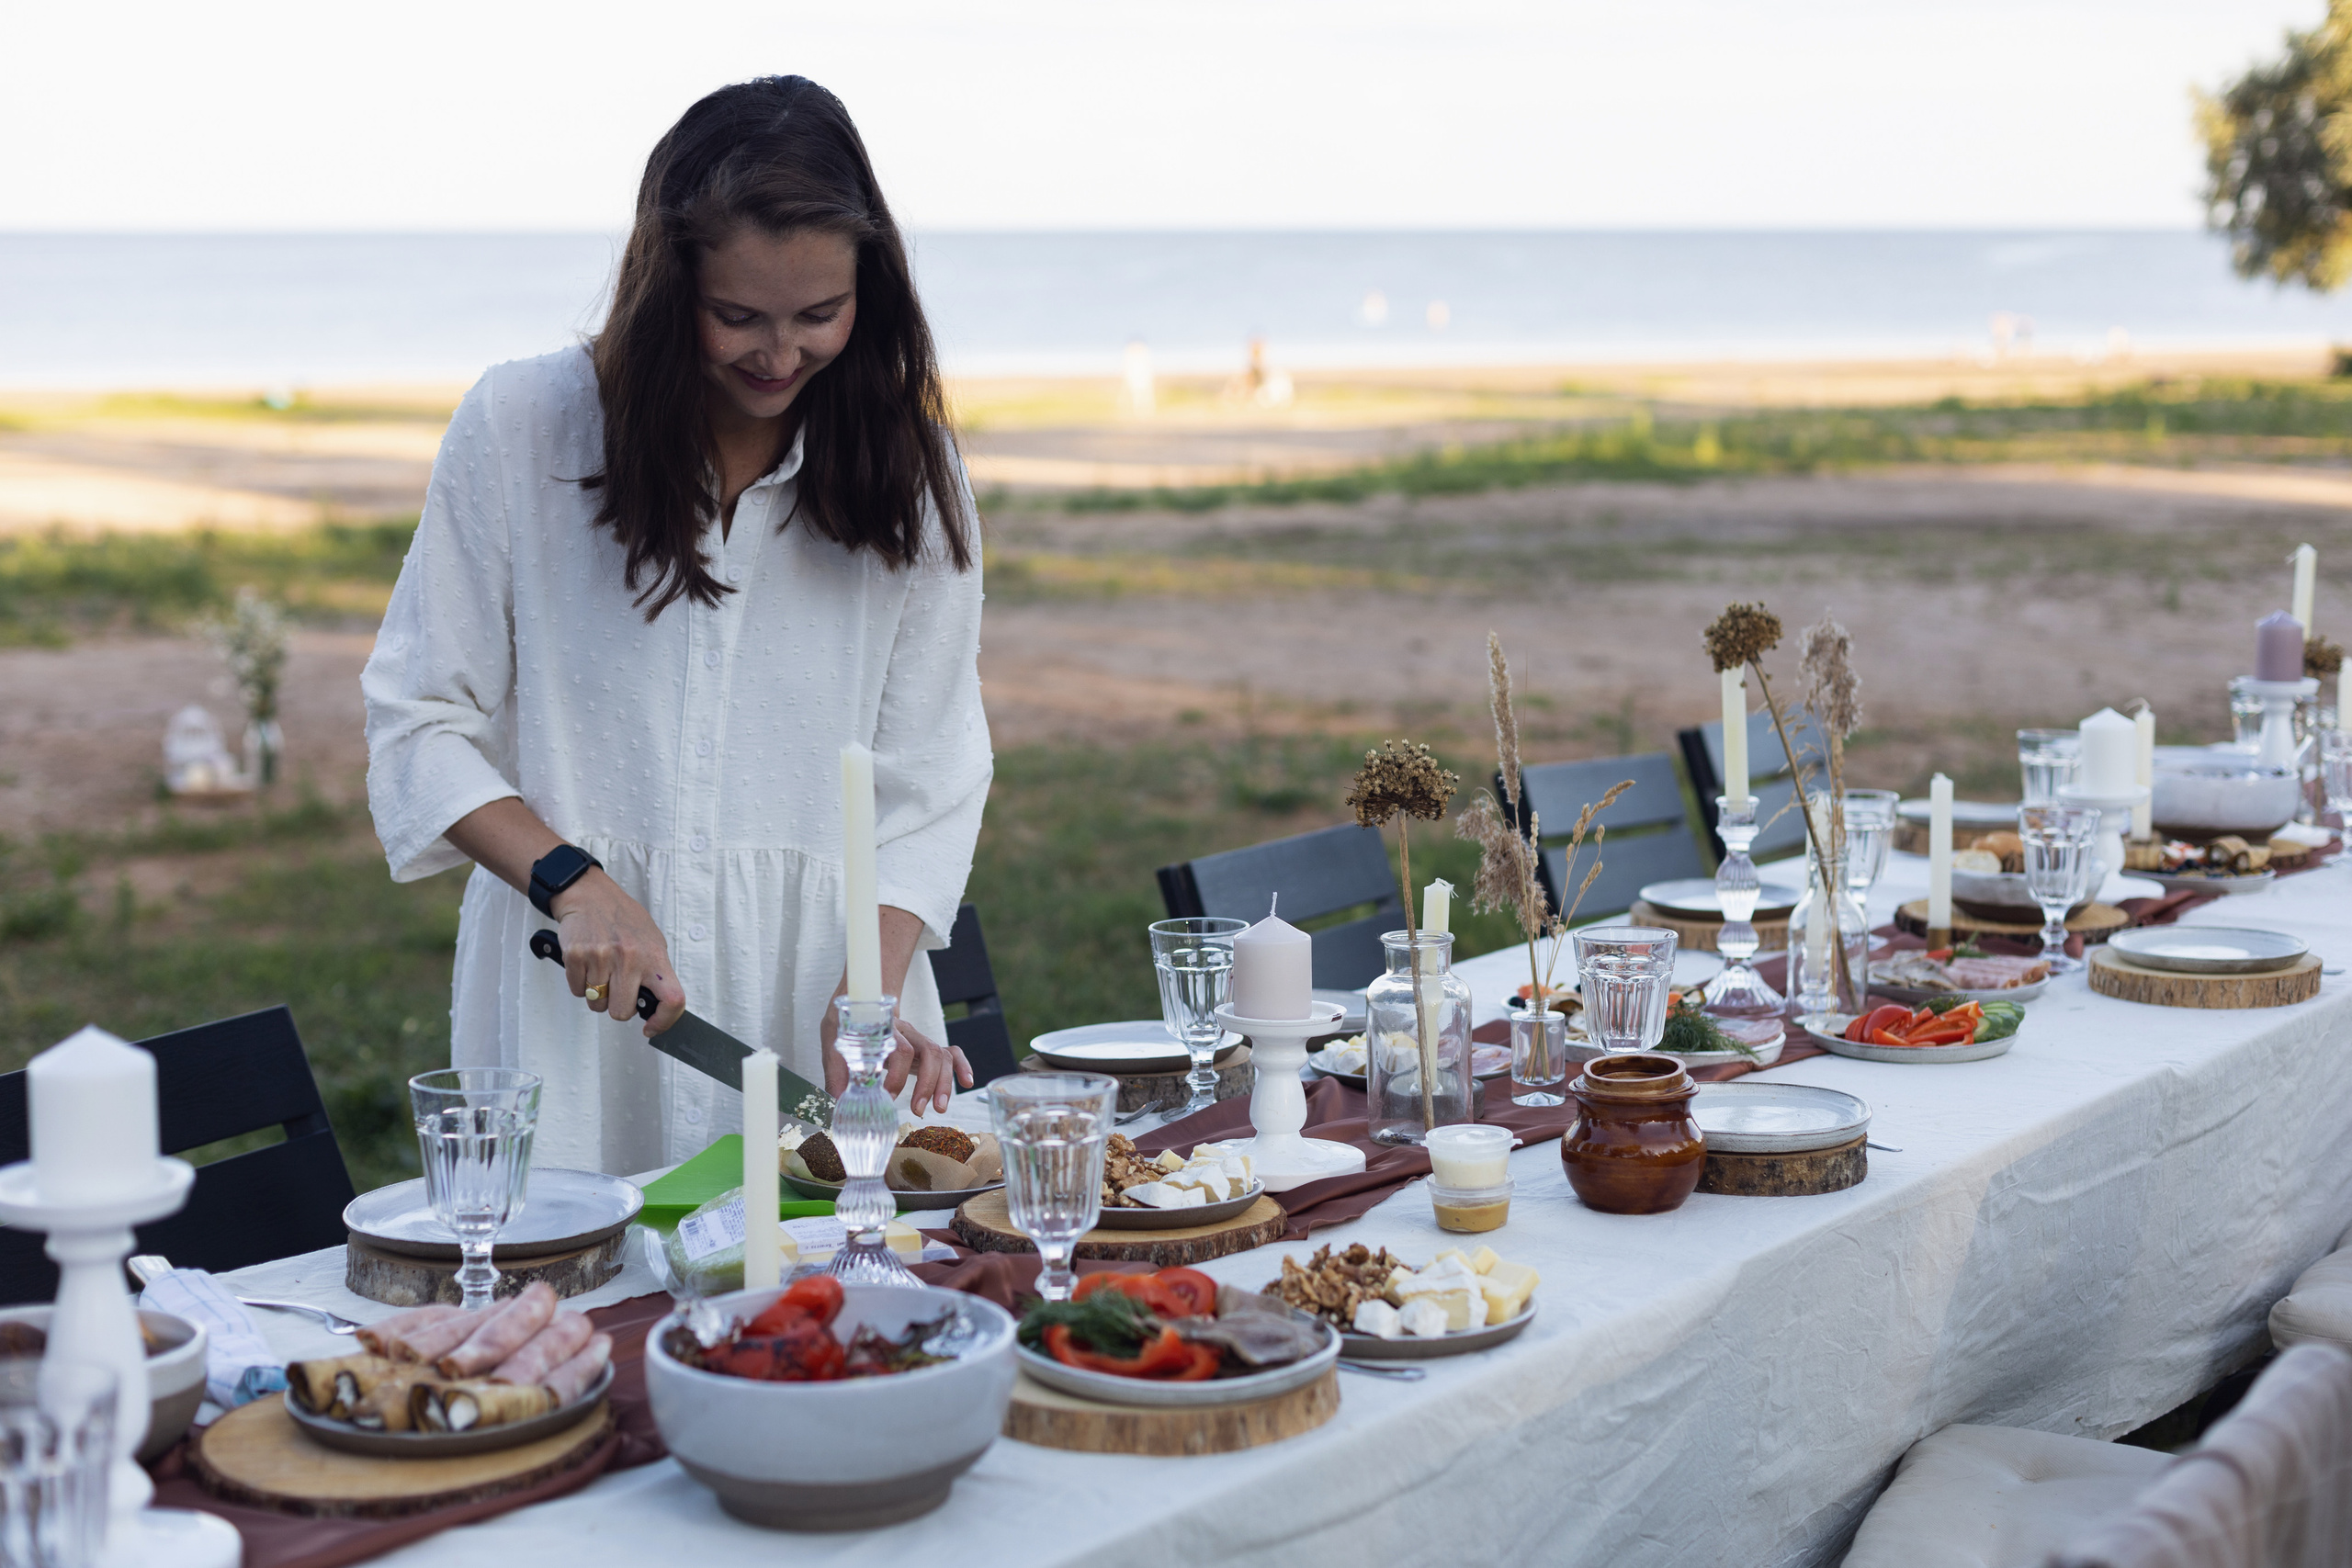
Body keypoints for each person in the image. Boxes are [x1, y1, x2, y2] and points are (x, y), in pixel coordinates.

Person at [363, 76, 989, 1174]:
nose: (780, 355)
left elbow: (933, 771)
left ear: (870, 293)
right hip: (583, 996)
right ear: (665, 284)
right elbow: (418, 721)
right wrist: (570, 878)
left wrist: (869, 986)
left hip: (824, 1004)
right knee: (571, 1314)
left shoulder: (916, 474)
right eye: (738, 315)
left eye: (820, 315)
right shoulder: (521, 428)